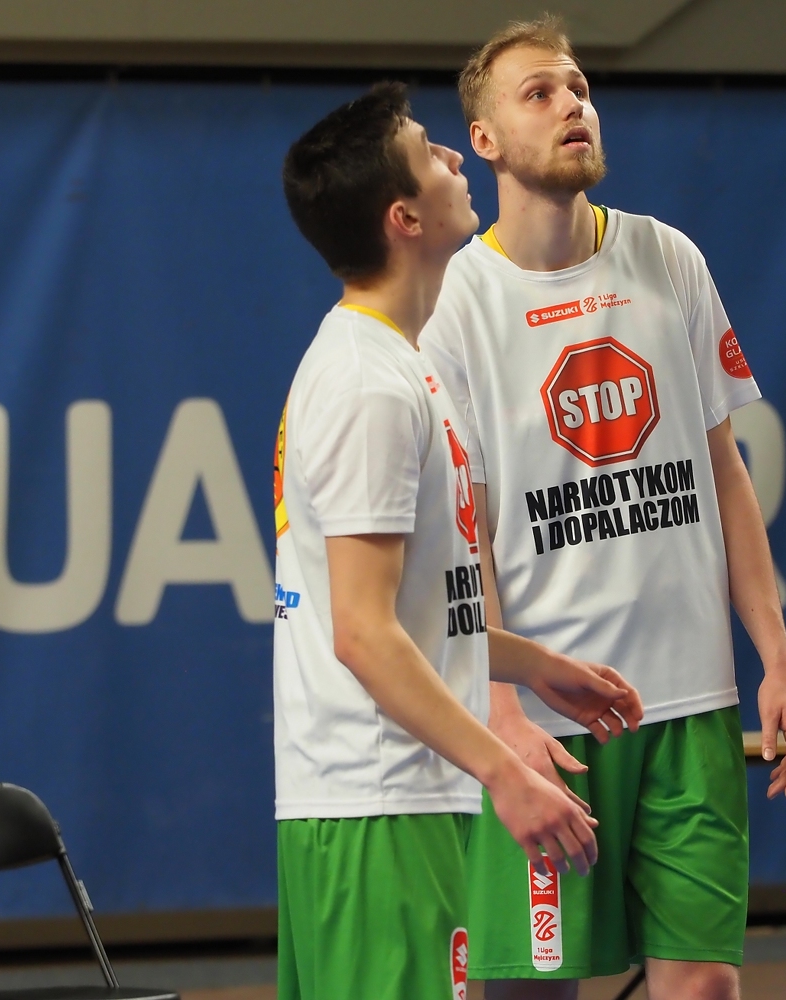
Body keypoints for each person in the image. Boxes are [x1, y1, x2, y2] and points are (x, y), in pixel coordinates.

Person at [420, 19, 786, 1000]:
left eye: (580, 88)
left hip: (690, 704)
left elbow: (725, 474)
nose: (572, 106)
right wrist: (500, 714)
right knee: (530, 991)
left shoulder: (667, 258)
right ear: (484, 140)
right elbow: (464, 535)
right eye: (539, 93)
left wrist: (775, 657)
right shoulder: (457, 301)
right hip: (549, 721)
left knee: (704, 987)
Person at [273, 82, 644, 1000]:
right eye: (430, 153)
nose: (452, 160)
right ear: (403, 218)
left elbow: (415, 610)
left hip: (403, 802)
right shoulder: (365, 385)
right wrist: (501, 769)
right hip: (377, 807)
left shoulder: (402, 364)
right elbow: (362, 635)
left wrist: (525, 662)